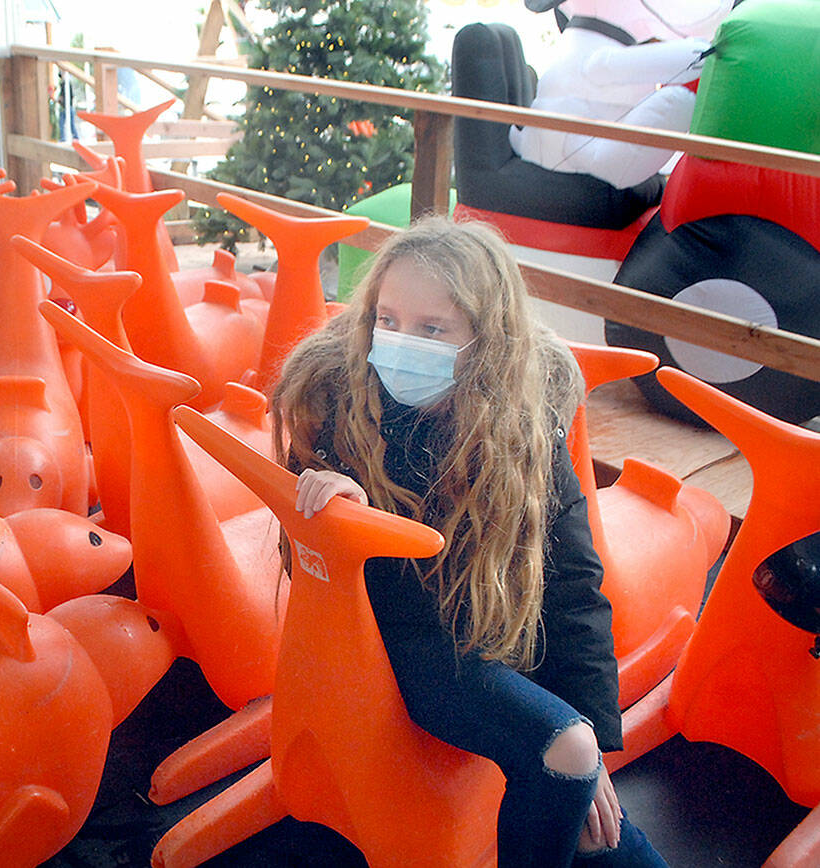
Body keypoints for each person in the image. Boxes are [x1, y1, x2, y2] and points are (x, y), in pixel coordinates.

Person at [273, 217, 667, 867]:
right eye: (389, 320)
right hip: (406, 643)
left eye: (433, 328)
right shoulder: (340, 408)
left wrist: (593, 742)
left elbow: (572, 586)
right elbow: (322, 579)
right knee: (565, 752)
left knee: (586, 789)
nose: (402, 342)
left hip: (493, 636)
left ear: (484, 343)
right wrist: (344, 519)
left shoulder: (523, 428)